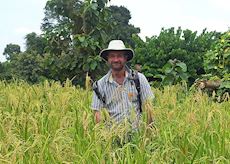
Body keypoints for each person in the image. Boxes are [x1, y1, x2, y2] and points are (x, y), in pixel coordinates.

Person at [91, 40, 154, 128]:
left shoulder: (139, 79)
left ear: (125, 58)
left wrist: (148, 134)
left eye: (119, 56)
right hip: (112, 137)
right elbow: (97, 115)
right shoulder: (99, 85)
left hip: (137, 136)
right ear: (108, 59)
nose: (116, 60)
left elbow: (149, 109)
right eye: (112, 56)